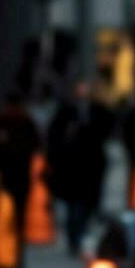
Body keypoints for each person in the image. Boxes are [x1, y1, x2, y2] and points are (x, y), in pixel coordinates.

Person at [45, 81, 110, 254]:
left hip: (90, 167)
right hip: (71, 168)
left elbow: (106, 129)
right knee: (73, 207)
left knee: (87, 206)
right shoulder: (66, 113)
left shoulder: (96, 111)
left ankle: (80, 235)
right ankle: (75, 238)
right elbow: (54, 136)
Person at [0, 89, 40, 238]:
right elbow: (36, 144)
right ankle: (15, 234)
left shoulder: (2, 121)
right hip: (20, 172)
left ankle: (7, 234)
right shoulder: (25, 121)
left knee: (4, 207)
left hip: (7, 173)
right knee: (18, 208)